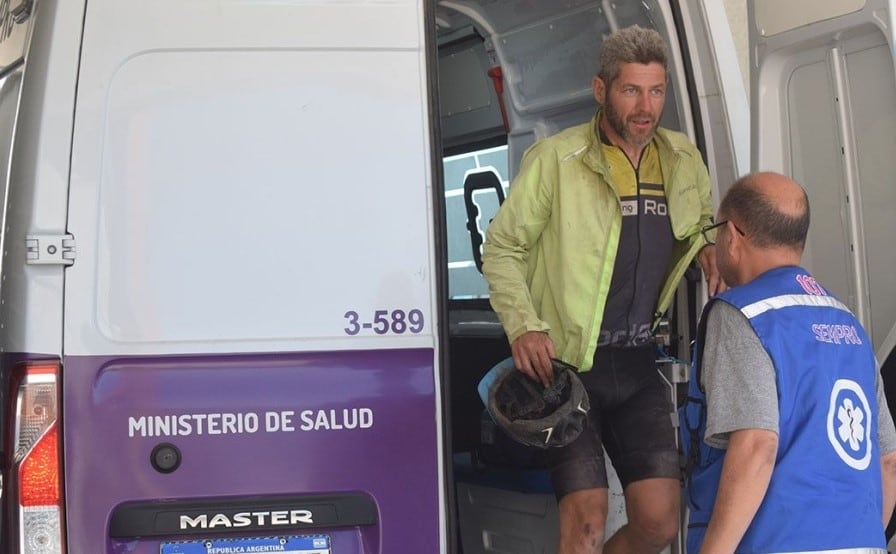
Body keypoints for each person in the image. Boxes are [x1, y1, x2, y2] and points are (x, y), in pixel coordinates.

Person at [481, 25, 720, 553]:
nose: (645, 106)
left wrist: (707, 245)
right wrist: (523, 325)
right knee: (586, 522)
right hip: (567, 367)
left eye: (656, 92)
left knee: (659, 523)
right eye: (631, 90)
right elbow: (501, 249)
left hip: (637, 362)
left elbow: (699, 219)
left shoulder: (682, 159)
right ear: (601, 90)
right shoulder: (556, 160)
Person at [681, 171, 896, 553]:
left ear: (732, 235)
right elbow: (889, 462)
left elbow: (756, 445)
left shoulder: (742, 314)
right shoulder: (849, 325)